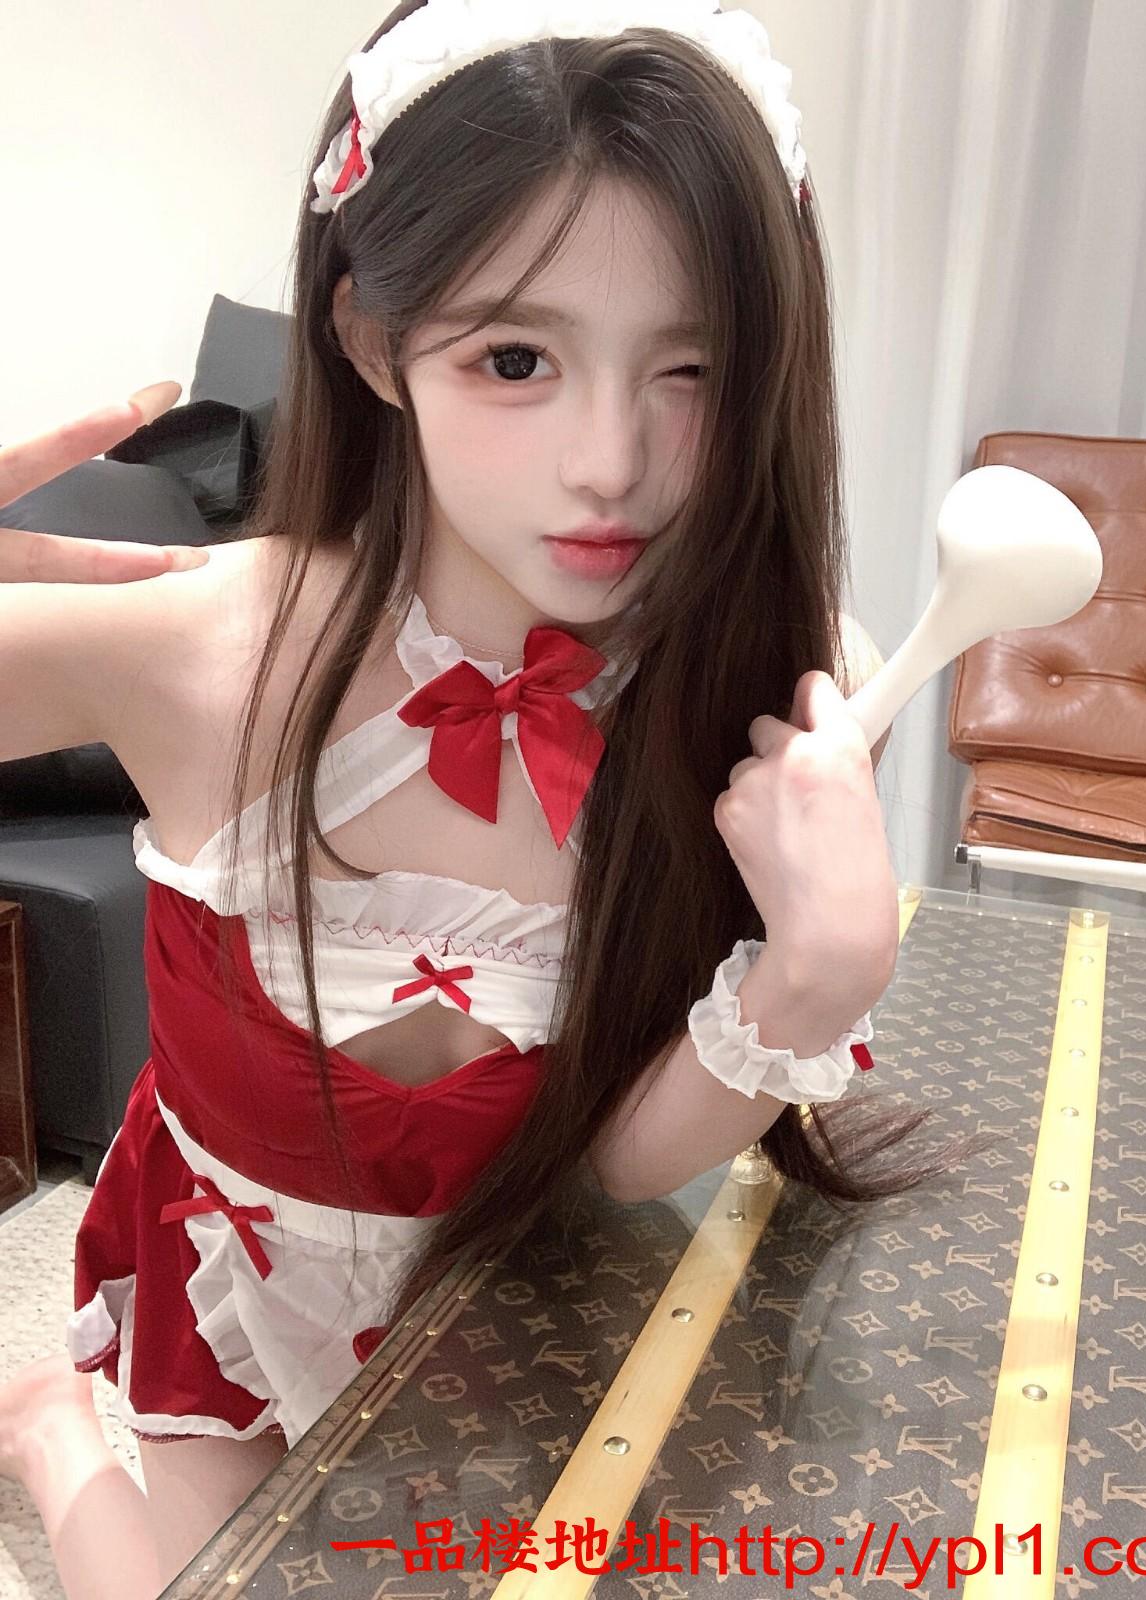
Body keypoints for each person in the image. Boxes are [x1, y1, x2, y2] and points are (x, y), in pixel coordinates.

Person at [0, 3, 990, 1593]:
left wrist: (818, 977)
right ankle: (55, 1425)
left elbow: (615, 1167)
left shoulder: (782, 679)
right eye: (515, 358)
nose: (611, 463)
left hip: (523, 1294)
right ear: (371, 343)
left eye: (693, 368)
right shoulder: (212, 647)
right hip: (231, 1281)